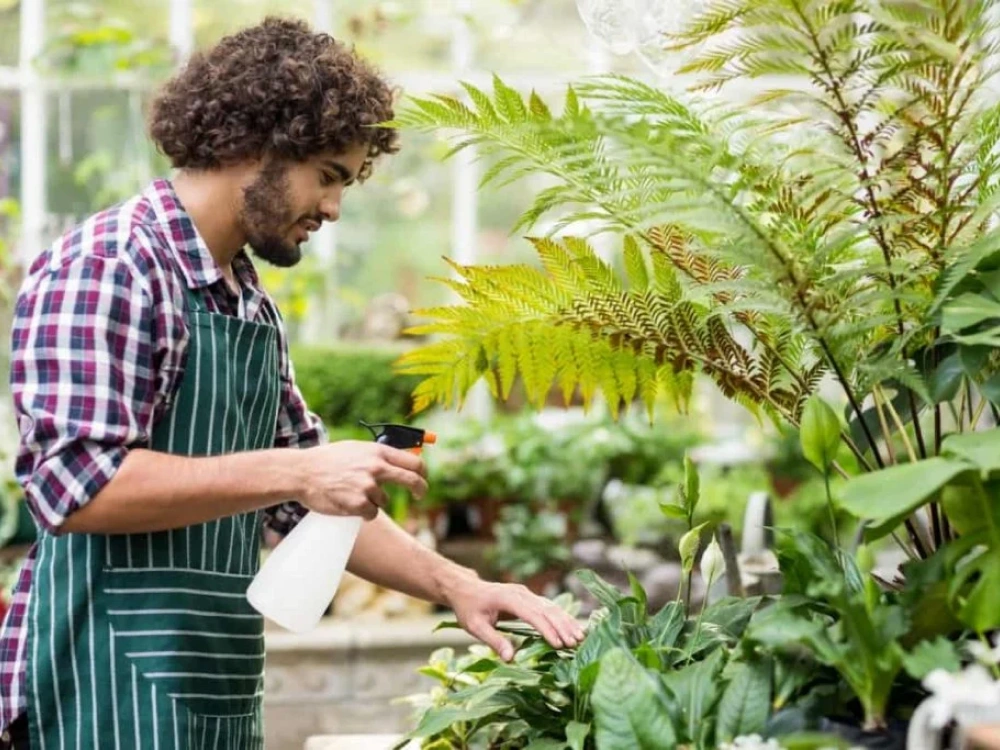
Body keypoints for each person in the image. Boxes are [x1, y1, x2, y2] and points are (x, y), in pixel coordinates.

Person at [0, 17, 584, 749]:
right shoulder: (112, 267)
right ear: (255, 144)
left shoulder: (249, 304)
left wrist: (459, 586)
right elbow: (73, 486)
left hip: (211, 692)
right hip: (94, 695)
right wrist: (303, 470)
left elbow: (302, 510)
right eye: (329, 176)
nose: (335, 207)